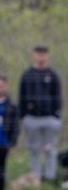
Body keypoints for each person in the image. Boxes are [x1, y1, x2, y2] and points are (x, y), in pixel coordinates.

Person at [18, 45, 62, 181]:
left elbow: (58, 96)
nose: (41, 56)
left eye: (43, 53)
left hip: (50, 118)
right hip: (32, 119)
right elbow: (21, 96)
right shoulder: (27, 75)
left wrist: (56, 115)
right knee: (34, 149)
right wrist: (23, 116)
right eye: (38, 53)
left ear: (47, 55)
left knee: (50, 149)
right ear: (34, 55)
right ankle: (35, 178)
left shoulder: (52, 74)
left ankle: (49, 178)